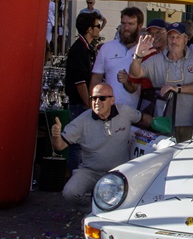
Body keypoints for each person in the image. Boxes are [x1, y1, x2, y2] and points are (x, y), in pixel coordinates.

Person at [50, 83, 151, 211]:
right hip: (91, 171)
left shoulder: (125, 112)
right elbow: (59, 146)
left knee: (135, 197)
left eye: (102, 98)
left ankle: (107, 212)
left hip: (119, 171)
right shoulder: (82, 121)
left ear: (112, 100)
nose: (97, 102)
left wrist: (160, 125)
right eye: (93, 98)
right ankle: (92, 212)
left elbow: (143, 118)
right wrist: (55, 136)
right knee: (70, 192)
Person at [129, 22, 193, 142]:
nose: (174, 41)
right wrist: (137, 56)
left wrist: (176, 89)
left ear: (186, 39)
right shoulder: (156, 60)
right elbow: (135, 73)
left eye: (178, 37)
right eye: (171, 37)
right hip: (162, 124)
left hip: (190, 123)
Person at [65, 12, 103, 170]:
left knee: (81, 142)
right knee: (77, 143)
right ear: (89, 29)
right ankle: (76, 174)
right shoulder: (79, 49)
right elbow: (80, 82)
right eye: (97, 26)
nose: (99, 29)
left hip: (83, 102)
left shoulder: (86, 48)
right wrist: (89, 104)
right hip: (80, 103)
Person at [90, 7, 144, 108]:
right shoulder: (107, 48)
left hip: (136, 114)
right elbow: (96, 78)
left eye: (131, 24)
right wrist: (92, 104)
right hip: (108, 112)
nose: (126, 28)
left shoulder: (146, 50)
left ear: (139, 26)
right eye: (123, 23)